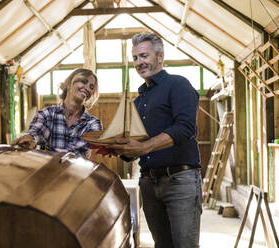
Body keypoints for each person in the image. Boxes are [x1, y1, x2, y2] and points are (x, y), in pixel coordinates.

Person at [108, 33, 202, 248]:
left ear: (160, 56)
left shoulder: (178, 84)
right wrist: (117, 148)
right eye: (135, 58)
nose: (139, 62)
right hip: (149, 183)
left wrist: (142, 147)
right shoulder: (139, 99)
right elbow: (137, 143)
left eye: (144, 56)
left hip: (180, 180)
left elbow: (186, 128)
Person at [11, 68, 102, 158]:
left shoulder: (93, 124)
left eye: (91, 87)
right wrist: (31, 138)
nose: (87, 88)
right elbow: (36, 132)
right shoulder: (47, 114)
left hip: (79, 172)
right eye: (83, 81)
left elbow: (96, 144)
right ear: (69, 84)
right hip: (52, 171)